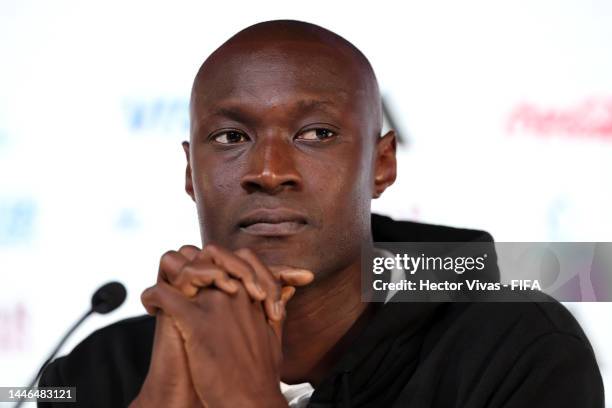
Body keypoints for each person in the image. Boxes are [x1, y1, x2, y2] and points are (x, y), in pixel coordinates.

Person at [39, 20, 604, 407]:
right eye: (231, 136)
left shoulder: (517, 349)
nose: (268, 169)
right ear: (191, 173)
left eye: (317, 134)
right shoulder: (97, 371)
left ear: (381, 166)